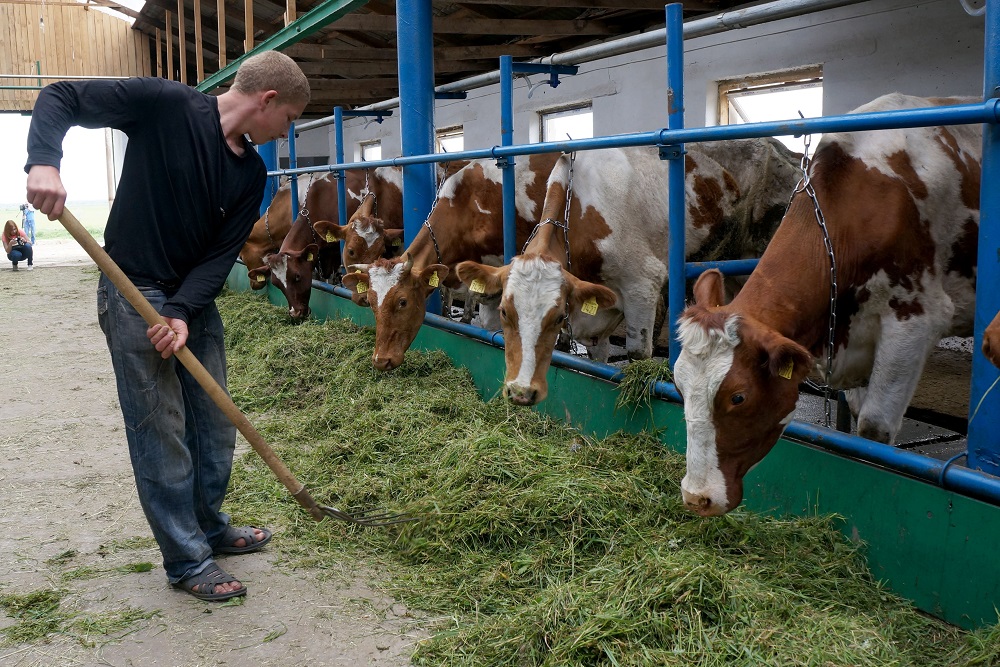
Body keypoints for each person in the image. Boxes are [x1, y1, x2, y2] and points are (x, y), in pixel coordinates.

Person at [24, 50, 310, 602]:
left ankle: (207, 525)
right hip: (133, 288)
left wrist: (181, 311)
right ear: (266, 101)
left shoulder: (251, 173)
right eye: (291, 118)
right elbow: (61, 94)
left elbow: (220, 255)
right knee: (162, 428)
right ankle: (185, 558)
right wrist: (44, 161)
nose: (286, 130)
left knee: (214, 422)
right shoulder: (167, 104)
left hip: (190, 302)